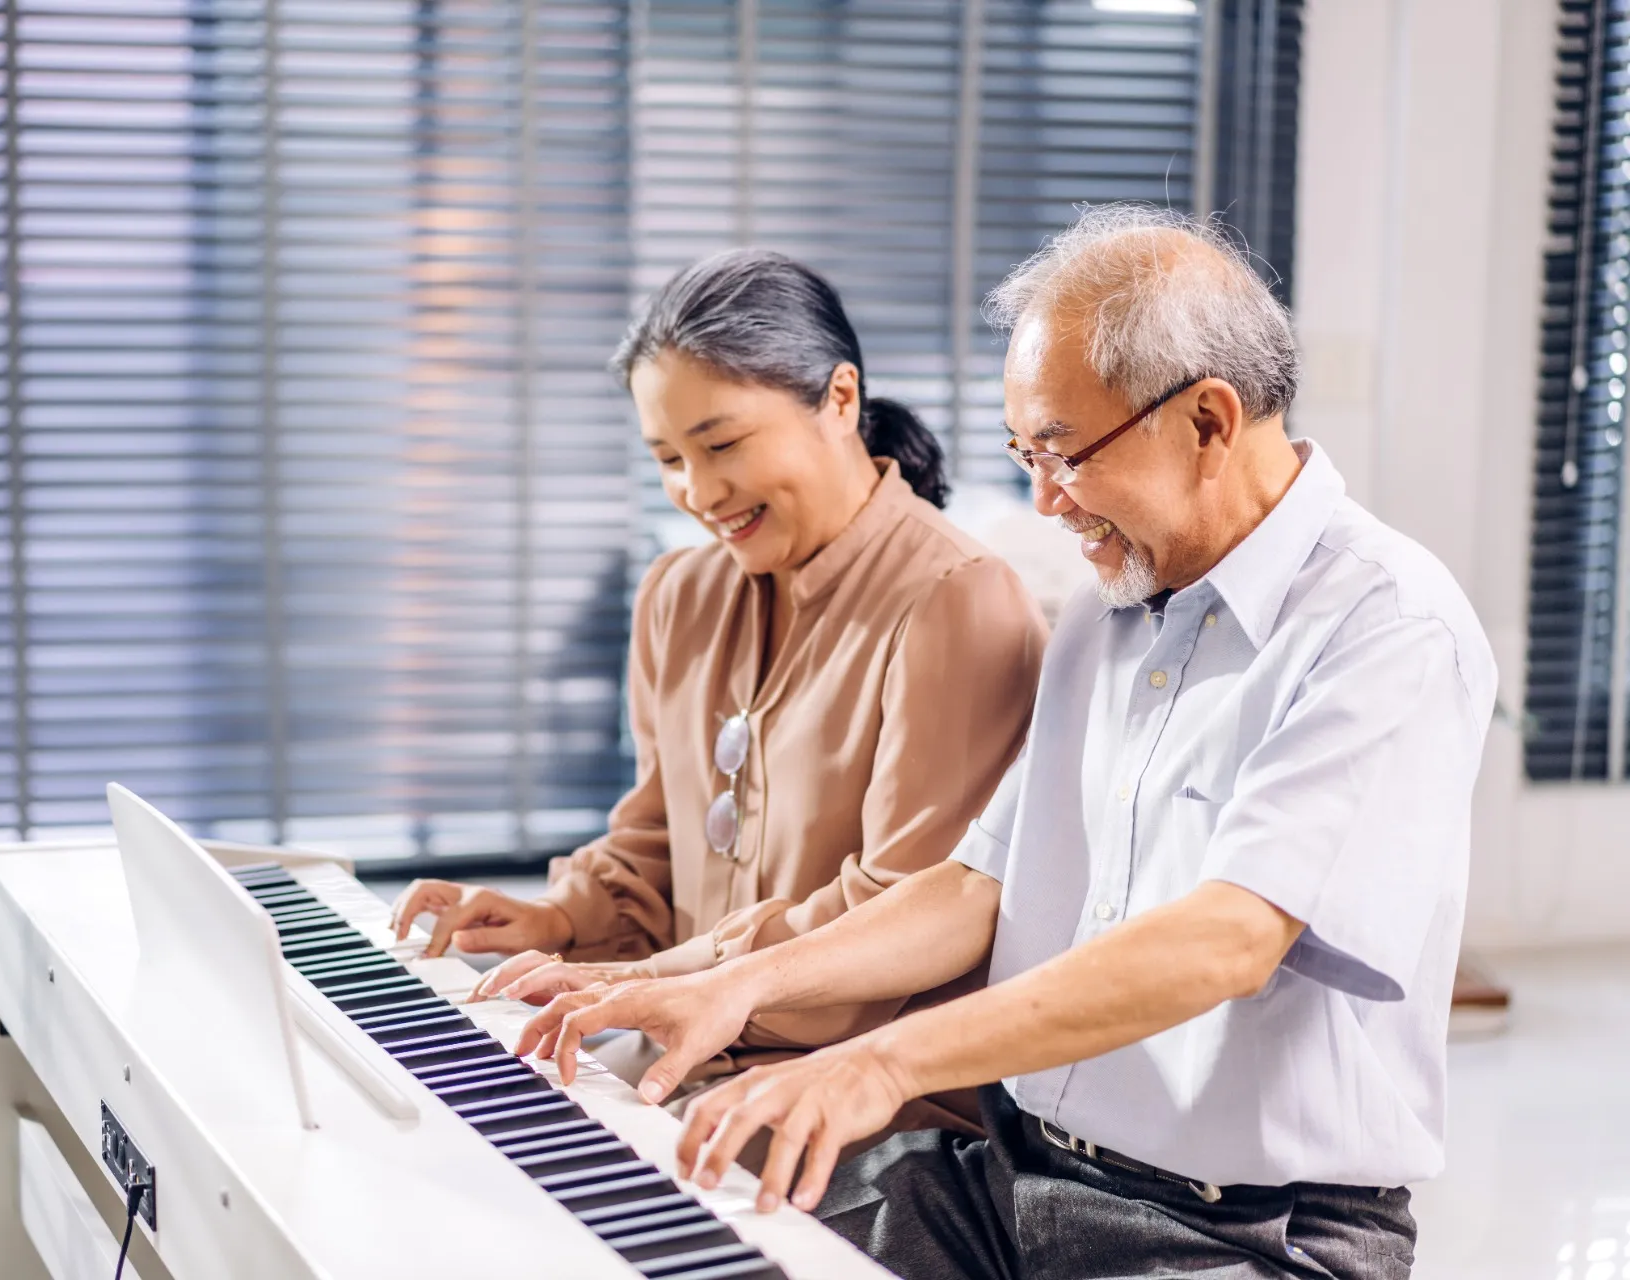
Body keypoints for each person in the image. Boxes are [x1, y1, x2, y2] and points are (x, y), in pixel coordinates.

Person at [512, 207, 1496, 1280]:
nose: (1044, 498)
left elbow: (1225, 938)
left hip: (1244, 1232)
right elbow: (976, 883)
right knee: (650, 1236)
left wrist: (882, 1059)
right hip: (1013, 1180)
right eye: (1025, 453)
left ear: (1209, 419)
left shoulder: (1386, 623)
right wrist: (737, 983)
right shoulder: (1111, 609)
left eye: (1065, 452)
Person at [390, 248, 1048, 1095]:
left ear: (839, 400)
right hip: (680, 1050)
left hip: (856, 1101)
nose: (697, 492)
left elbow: (900, 911)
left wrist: (667, 981)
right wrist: (556, 920)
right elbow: (658, 841)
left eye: (722, 443)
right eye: (667, 459)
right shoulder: (678, 593)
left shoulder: (960, 603)